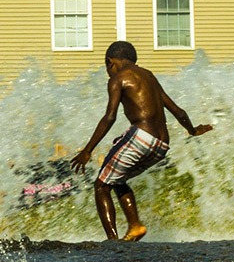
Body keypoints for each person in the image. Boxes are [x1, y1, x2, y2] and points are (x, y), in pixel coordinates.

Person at [70, 41, 213, 241]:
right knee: (117, 178)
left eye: (107, 68)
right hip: (161, 144)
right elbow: (178, 111)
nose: (108, 73)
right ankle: (135, 226)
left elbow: (110, 117)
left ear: (111, 62)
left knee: (101, 186)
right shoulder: (149, 76)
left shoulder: (118, 79)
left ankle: (113, 242)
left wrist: (88, 150)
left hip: (141, 137)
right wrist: (192, 130)